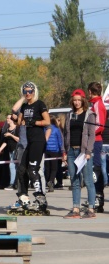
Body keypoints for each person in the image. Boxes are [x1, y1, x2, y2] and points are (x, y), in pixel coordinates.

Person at [63, 89, 96, 219]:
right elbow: (65, 133)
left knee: (88, 181)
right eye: (74, 100)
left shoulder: (90, 115)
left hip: (83, 152)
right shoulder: (69, 114)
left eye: (79, 100)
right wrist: (64, 151)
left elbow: (91, 135)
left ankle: (91, 209)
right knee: (74, 181)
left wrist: (88, 151)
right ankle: (75, 208)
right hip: (71, 151)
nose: (77, 102)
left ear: (83, 100)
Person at [16, 82, 50, 207]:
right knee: (21, 170)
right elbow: (19, 122)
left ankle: (40, 197)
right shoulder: (24, 106)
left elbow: (47, 121)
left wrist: (35, 122)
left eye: (30, 91)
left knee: (33, 170)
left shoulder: (40, 104)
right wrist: (21, 102)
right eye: (25, 91)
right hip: (30, 142)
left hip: (38, 140)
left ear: (34, 91)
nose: (28, 93)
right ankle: (23, 196)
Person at [88, 82, 107, 212]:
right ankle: (95, 197)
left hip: (96, 141)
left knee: (96, 170)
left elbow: (100, 125)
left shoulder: (98, 104)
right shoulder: (93, 103)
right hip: (92, 140)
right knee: (92, 170)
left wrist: (88, 134)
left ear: (90, 91)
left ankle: (98, 198)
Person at [0, 114, 19, 190]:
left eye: (9, 118)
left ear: (12, 120)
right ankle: (12, 183)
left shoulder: (17, 128)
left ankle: (17, 183)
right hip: (10, 150)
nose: (7, 120)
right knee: (11, 166)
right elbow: (5, 142)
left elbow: (19, 139)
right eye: (7, 118)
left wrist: (11, 135)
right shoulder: (7, 129)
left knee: (18, 166)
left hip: (17, 149)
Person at [44, 114, 63, 192]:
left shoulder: (44, 129)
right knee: (54, 168)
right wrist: (61, 150)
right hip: (55, 151)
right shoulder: (56, 129)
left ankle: (47, 181)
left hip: (46, 150)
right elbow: (60, 141)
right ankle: (51, 181)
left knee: (47, 168)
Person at [54, 113, 66, 189]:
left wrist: (63, 151)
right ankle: (59, 182)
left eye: (58, 120)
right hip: (60, 149)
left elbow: (61, 141)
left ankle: (59, 182)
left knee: (58, 167)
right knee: (58, 167)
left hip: (60, 150)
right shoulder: (61, 129)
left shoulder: (60, 130)